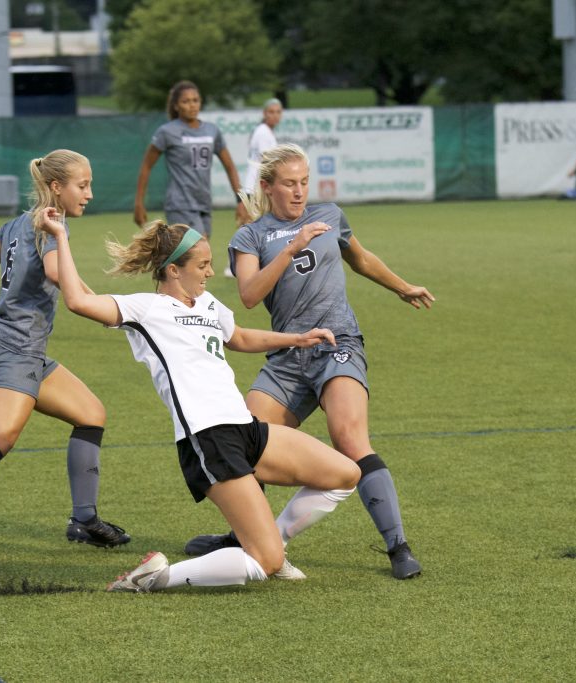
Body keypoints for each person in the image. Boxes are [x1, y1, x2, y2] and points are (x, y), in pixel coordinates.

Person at [36, 212, 361, 592]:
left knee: (345, 474)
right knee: (266, 562)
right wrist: (60, 236)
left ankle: (271, 543)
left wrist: (298, 339)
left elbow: (239, 337)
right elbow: (77, 300)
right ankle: (155, 577)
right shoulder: (146, 309)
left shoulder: (207, 303)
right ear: (174, 270)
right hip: (208, 438)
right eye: (202, 265)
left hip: (245, 426)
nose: (209, 272)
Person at [185, 143, 435, 580]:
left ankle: (398, 546)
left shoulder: (330, 215)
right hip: (287, 357)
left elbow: (361, 259)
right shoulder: (250, 237)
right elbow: (249, 295)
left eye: (304, 182)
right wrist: (291, 247)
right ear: (267, 187)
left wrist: (402, 287)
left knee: (350, 439)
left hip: (338, 345)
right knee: (242, 438)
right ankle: (245, 537)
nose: (299, 191)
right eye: (289, 184)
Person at [0, 150, 130, 577]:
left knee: (91, 414)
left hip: (25, 351)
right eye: (82, 185)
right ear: (56, 187)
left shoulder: (19, 223)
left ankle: (84, 520)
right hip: (13, 352)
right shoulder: (51, 227)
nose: (89, 193)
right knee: (0, 434)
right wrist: (68, 254)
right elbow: (57, 274)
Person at [133, 80, 250, 277]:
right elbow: (146, 166)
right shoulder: (167, 132)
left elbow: (230, 166)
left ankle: (167, 278)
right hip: (180, 203)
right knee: (199, 254)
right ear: (176, 105)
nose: (192, 105)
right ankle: (180, 287)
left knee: (192, 258)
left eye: (195, 100)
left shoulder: (211, 131)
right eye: (186, 101)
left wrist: (240, 200)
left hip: (203, 202)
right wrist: (139, 203)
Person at [242, 98, 284, 200]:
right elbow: (267, 160)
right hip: (256, 187)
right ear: (265, 114)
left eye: (278, 112)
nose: (275, 115)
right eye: (271, 112)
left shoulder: (266, 131)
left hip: (258, 187)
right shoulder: (263, 132)